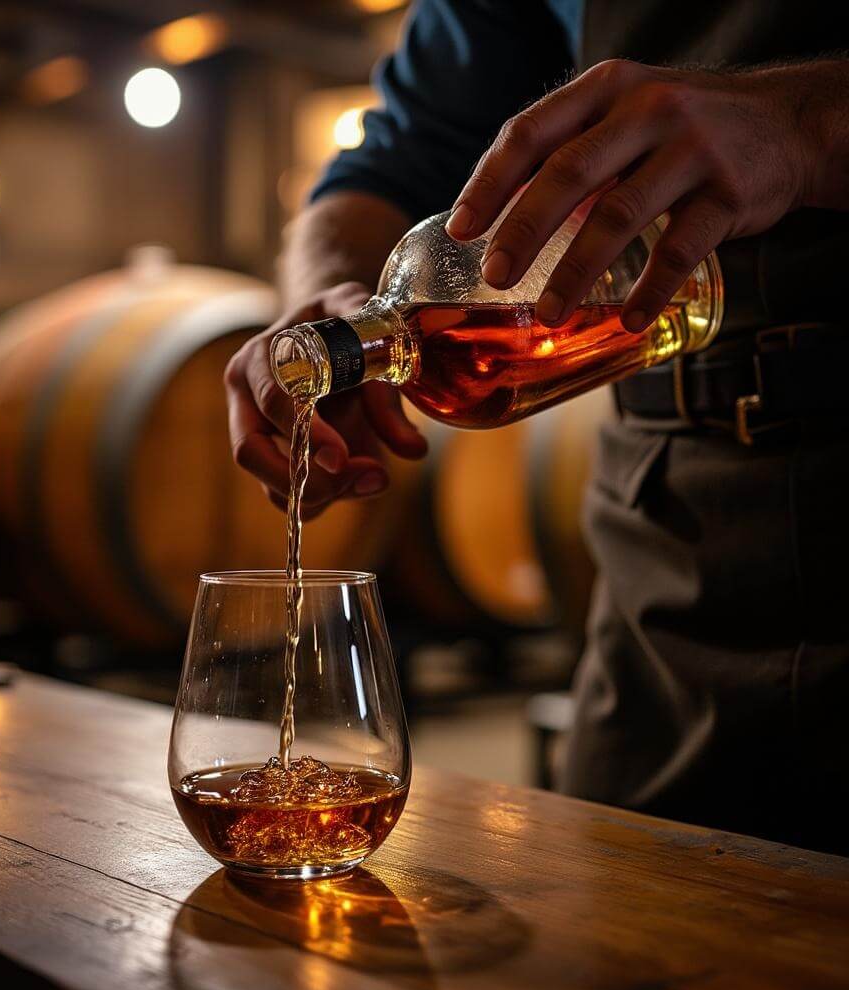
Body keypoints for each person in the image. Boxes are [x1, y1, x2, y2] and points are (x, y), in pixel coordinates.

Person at [224, 1, 849, 855]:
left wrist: (808, 123)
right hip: (673, 527)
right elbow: (394, 161)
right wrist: (328, 288)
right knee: (624, 937)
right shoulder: (441, 371)